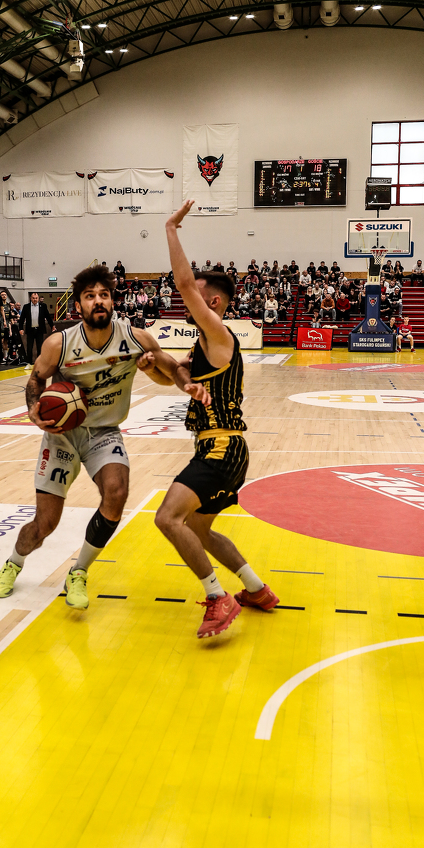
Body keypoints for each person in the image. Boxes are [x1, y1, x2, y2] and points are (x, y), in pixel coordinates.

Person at [0, 264, 209, 609]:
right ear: (78, 305)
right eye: (90, 296)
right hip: (62, 437)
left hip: (104, 433)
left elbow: (172, 370)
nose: (98, 301)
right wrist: (33, 409)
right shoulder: (59, 343)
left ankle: (79, 571)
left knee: (117, 492)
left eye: (104, 295)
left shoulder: (136, 339)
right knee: (44, 525)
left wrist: (187, 385)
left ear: (112, 300)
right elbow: (36, 379)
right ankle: (14, 563)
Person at [153, 200, 278, 640]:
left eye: (197, 295)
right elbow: (178, 374)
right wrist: (167, 369)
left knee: (168, 519)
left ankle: (217, 597)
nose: (188, 298)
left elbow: (184, 283)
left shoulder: (220, 334)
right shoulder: (204, 346)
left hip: (222, 446)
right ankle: (257, 590)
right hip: (222, 447)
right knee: (200, 529)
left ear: (213, 302)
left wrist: (171, 228)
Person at [19, 291, 54, 363]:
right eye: (33, 298)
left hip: (39, 330)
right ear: (30, 298)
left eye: (36, 298)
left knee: (40, 347)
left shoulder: (43, 306)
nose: (35, 299)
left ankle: (39, 362)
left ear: (38, 298)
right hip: (30, 330)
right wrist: (21, 328)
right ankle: (29, 363)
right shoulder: (26, 306)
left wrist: (52, 326)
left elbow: (48, 316)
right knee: (29, 348)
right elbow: (22, 318)